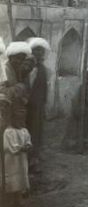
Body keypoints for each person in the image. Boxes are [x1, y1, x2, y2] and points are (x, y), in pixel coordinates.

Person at [1, 90, 32, 207]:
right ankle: (9, 200)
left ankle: (18, 198)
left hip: (21, 159)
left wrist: (28, 145)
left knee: (21, 177)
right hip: (11, 159)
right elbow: (10, 147)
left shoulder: (23, 131)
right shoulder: (9, 132)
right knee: (11, 177)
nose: (20, 122)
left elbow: (28, 140)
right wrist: (19, 148)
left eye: (22, 120)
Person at [25, 38, 50, 172]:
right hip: (29, 105)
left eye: (41, 51)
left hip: (39, 105)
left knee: (38, 130)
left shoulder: (42, 67)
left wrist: (44, 103)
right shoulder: (29, 66)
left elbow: (44, 86)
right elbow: (27, 85)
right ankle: (29, 158)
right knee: (29, 130)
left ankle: (35, 156)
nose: (39, 53)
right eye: (37, 50)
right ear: (32, 51)